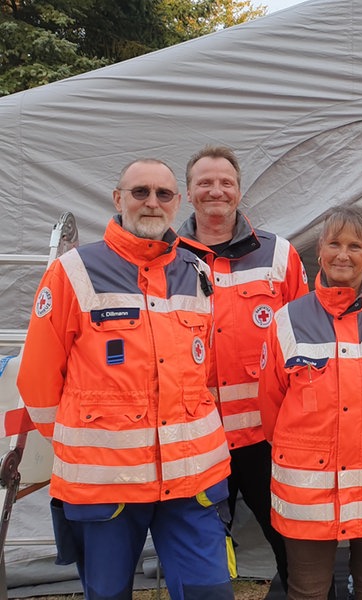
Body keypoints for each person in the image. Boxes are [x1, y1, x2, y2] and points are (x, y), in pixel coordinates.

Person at [17, 159, 233, 599]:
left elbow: (204, 370)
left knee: (209, 591)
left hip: (192, 478)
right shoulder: (72, 272)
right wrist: (83, 442)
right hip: (105, 483)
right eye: (140, 192)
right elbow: (38, 381)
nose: (152, 202)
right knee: (108, 593)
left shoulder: (198, 273)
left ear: (177, 203)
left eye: (163, 194)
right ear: (118, 200)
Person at [257, 206, 362, 600]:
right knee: (308, 589)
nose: (343, 255)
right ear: (320, 249)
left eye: (355, 245)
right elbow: (271, 406)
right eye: (334, 243)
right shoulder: (287, 320)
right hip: (307, 488)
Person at [177, 145, 307, 588]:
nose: (216, 190)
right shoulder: (163, 257)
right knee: (203, 548)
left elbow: (305, 343)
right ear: (189, 193)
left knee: (289, 537)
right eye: (205, 183)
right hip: (195, 436)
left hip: (265, 434)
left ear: (239, 190)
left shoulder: (279, 255)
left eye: (225, 182)